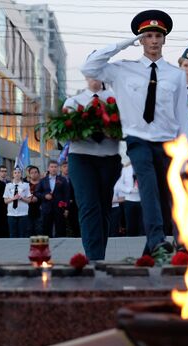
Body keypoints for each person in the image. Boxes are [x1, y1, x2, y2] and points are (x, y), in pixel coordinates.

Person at [82, 9, 188, 255]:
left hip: (167, 142)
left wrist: (183, 151)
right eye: (148, 36)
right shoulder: (122, 69)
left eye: (157, 36)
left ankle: (151, 251)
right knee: (149, 186)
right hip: (138, 139)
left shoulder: (176, 75)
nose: (153, 41)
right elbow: (89, 67)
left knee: (165, 196)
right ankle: (157, 240)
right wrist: (123, 43)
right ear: (141, 40)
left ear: (164, 40)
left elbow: (182, 114)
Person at [63, 79, 122, 258]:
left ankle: (99, 255)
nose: (95, 78)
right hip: (81, 157)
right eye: (92, 73)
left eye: (99, 73)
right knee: (89, 205)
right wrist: (78, 131)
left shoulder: (116, 100)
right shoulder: (74, 101)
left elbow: (129, 126)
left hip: (108, 158)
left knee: (103, 207)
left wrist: (113, 129)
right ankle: (94, 258)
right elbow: (62, 133)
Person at [35, 160, 70, 238]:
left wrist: (67, 209)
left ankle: (61, 247)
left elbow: (67, 195)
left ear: (58, 168)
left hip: (60, 208)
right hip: (46, 208)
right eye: (52, 167)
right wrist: (44, 196)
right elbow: (37, 193)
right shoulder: (43, 180)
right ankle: (47, 248)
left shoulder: (62, 180)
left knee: (60, 229)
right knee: (46, 229)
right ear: (48, 168)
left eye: (55, 167)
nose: (53, 169)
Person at [4, 167, 31, 238]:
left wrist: (21, 198)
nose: (17, 174)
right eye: (15, 173)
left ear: (21, 174)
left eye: (19, 172)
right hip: (11, 213)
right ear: (13, 174)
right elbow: (5, 201)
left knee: (22, 234)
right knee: (12, 234)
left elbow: (29, 200)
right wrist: (13, 198)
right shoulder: (8, 185)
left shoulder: (26, 185)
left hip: (23, 213)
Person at [119, 162, 145, 236]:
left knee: (143, 226)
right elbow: (120, 184)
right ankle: (130, 243)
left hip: (142, 200)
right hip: (129, 200)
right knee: (130, 226)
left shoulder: (143, 167)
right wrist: (129, 190)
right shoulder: (125, 169)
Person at [26, 166, 42, 236]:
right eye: (32, 173)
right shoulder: (25, 185)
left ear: (39, 173)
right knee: (29, 231)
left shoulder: (43, 184)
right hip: (28, 211)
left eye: (36, 172)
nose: (34, 174)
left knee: (40, 231)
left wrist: (38, 198)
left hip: (40, 211)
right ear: (29, 174)